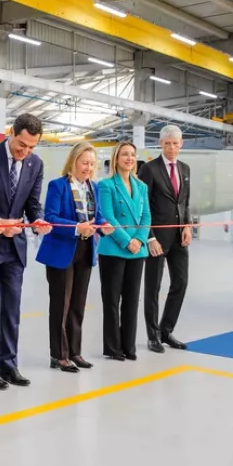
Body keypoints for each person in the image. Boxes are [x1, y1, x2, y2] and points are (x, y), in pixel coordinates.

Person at [0, 113, 51, 390]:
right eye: (21, 145)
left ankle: (9, 364)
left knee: (12, 310)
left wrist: (37, 220)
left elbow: (32, 204)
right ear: (10, 132)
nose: (25, 152)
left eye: (31, 148)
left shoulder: (35, 164)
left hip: (15, 248)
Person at [36, 142, 113, 372]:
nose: (88, 167)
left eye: (91, 163)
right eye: (84, 162)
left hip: (85, 249)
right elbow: (50, 216)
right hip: (62, 250)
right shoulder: (58, 186)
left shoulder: (94, 187)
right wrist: (77, 227)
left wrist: (103, 225)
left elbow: (96, 216)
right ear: (73, 162)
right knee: (61, 304)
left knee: (78, 305)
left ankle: (75, 352)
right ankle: (59, 355)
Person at [138, 125, 191, 353]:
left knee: (181, 282)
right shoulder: (149, 169)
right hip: (157, 240)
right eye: (167, 143)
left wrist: (188, 225)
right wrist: (149, 238)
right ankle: (152, 336)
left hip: (180, 237)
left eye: (175, 143)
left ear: (182, 144)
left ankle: (166, 330)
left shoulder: (185, 169)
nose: (171, 147)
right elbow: (142, 206)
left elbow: (185, 202)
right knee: (153, 287)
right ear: (160, 144)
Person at [96, 140, 151, 361]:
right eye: (124, 154)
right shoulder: (107, 185)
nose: (129, 158)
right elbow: (107, 216)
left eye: (132, 155)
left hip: (137, 251)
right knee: (111, 300)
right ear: (116, 159)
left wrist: (139, 240)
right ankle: (113, 347)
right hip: (113, 249)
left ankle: (129, 346)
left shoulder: (142, 186)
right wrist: (127, 241)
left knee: (132, 299)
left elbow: (146, 216)